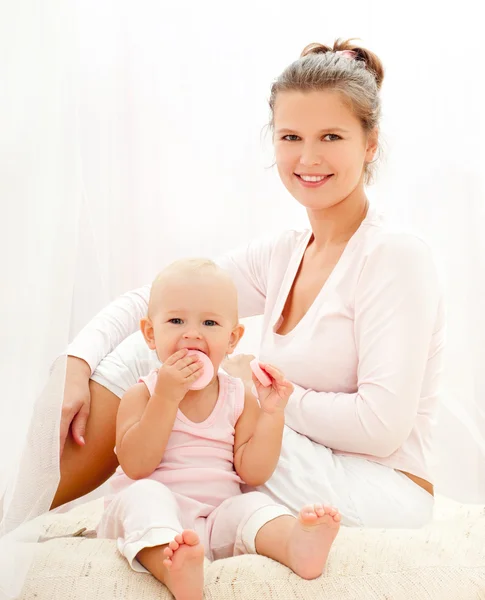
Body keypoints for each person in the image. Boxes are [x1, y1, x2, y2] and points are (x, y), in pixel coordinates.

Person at [52, 38, 445, 530]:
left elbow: (380, 428)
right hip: (304, 462)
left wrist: (255, 387)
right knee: (166, 337)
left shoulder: (394, 256)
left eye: (331, 137)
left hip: (379, 488)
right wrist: (76, 361)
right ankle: (29, 499)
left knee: (191, 382)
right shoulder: (284, 252)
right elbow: (155, 302)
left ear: (370, 143)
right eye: (290, 137)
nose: (308, 157)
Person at [97, 259, 340, 599]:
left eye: (210, 322)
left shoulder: (239, 397)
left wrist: (272, 414)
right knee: (144, 497)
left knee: (251, 503)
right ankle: (171, 565)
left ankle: (294, 543)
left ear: (232, 338)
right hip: (150, 514)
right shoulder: (142, 394)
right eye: (176, 320)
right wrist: (166, 397)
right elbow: (137, 466)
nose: (192, 333)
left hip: (216, 519)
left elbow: (253, 471)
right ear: (151, 334)